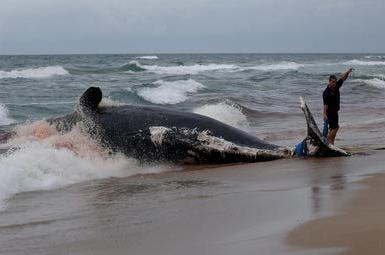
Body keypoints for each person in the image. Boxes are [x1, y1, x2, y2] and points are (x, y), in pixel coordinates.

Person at [323, 68, 353, 145]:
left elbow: (342, 79)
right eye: (332, 82)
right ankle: (330, 143)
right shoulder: (326, 92)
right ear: (329, 81)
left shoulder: (336, 87)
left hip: (335, 111)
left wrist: (347, 72)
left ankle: (329, 143)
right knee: (335, 127)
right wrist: (324, 114)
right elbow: (325, 105)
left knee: (332, 128)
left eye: (335, 82)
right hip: (330, 112)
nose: (334, 84)